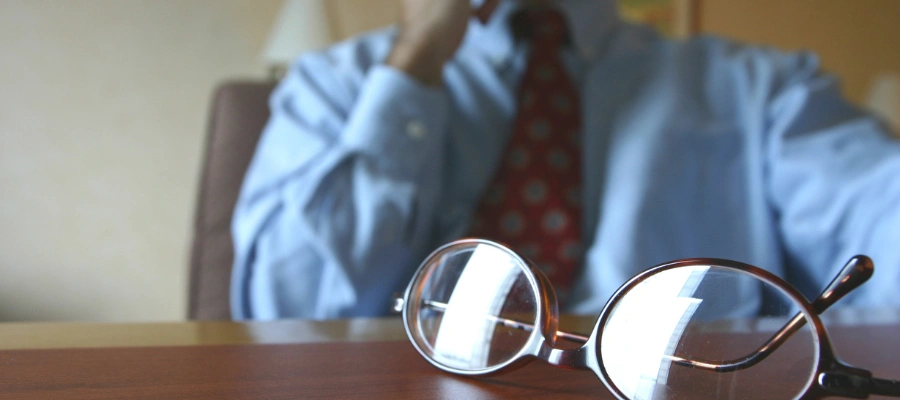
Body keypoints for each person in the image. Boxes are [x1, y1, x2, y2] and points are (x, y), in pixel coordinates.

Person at [230, 0, 900, 320]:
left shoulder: (763, 89)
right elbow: (285, 310)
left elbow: (879, 210)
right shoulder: (335, 88)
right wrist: (415, 62)